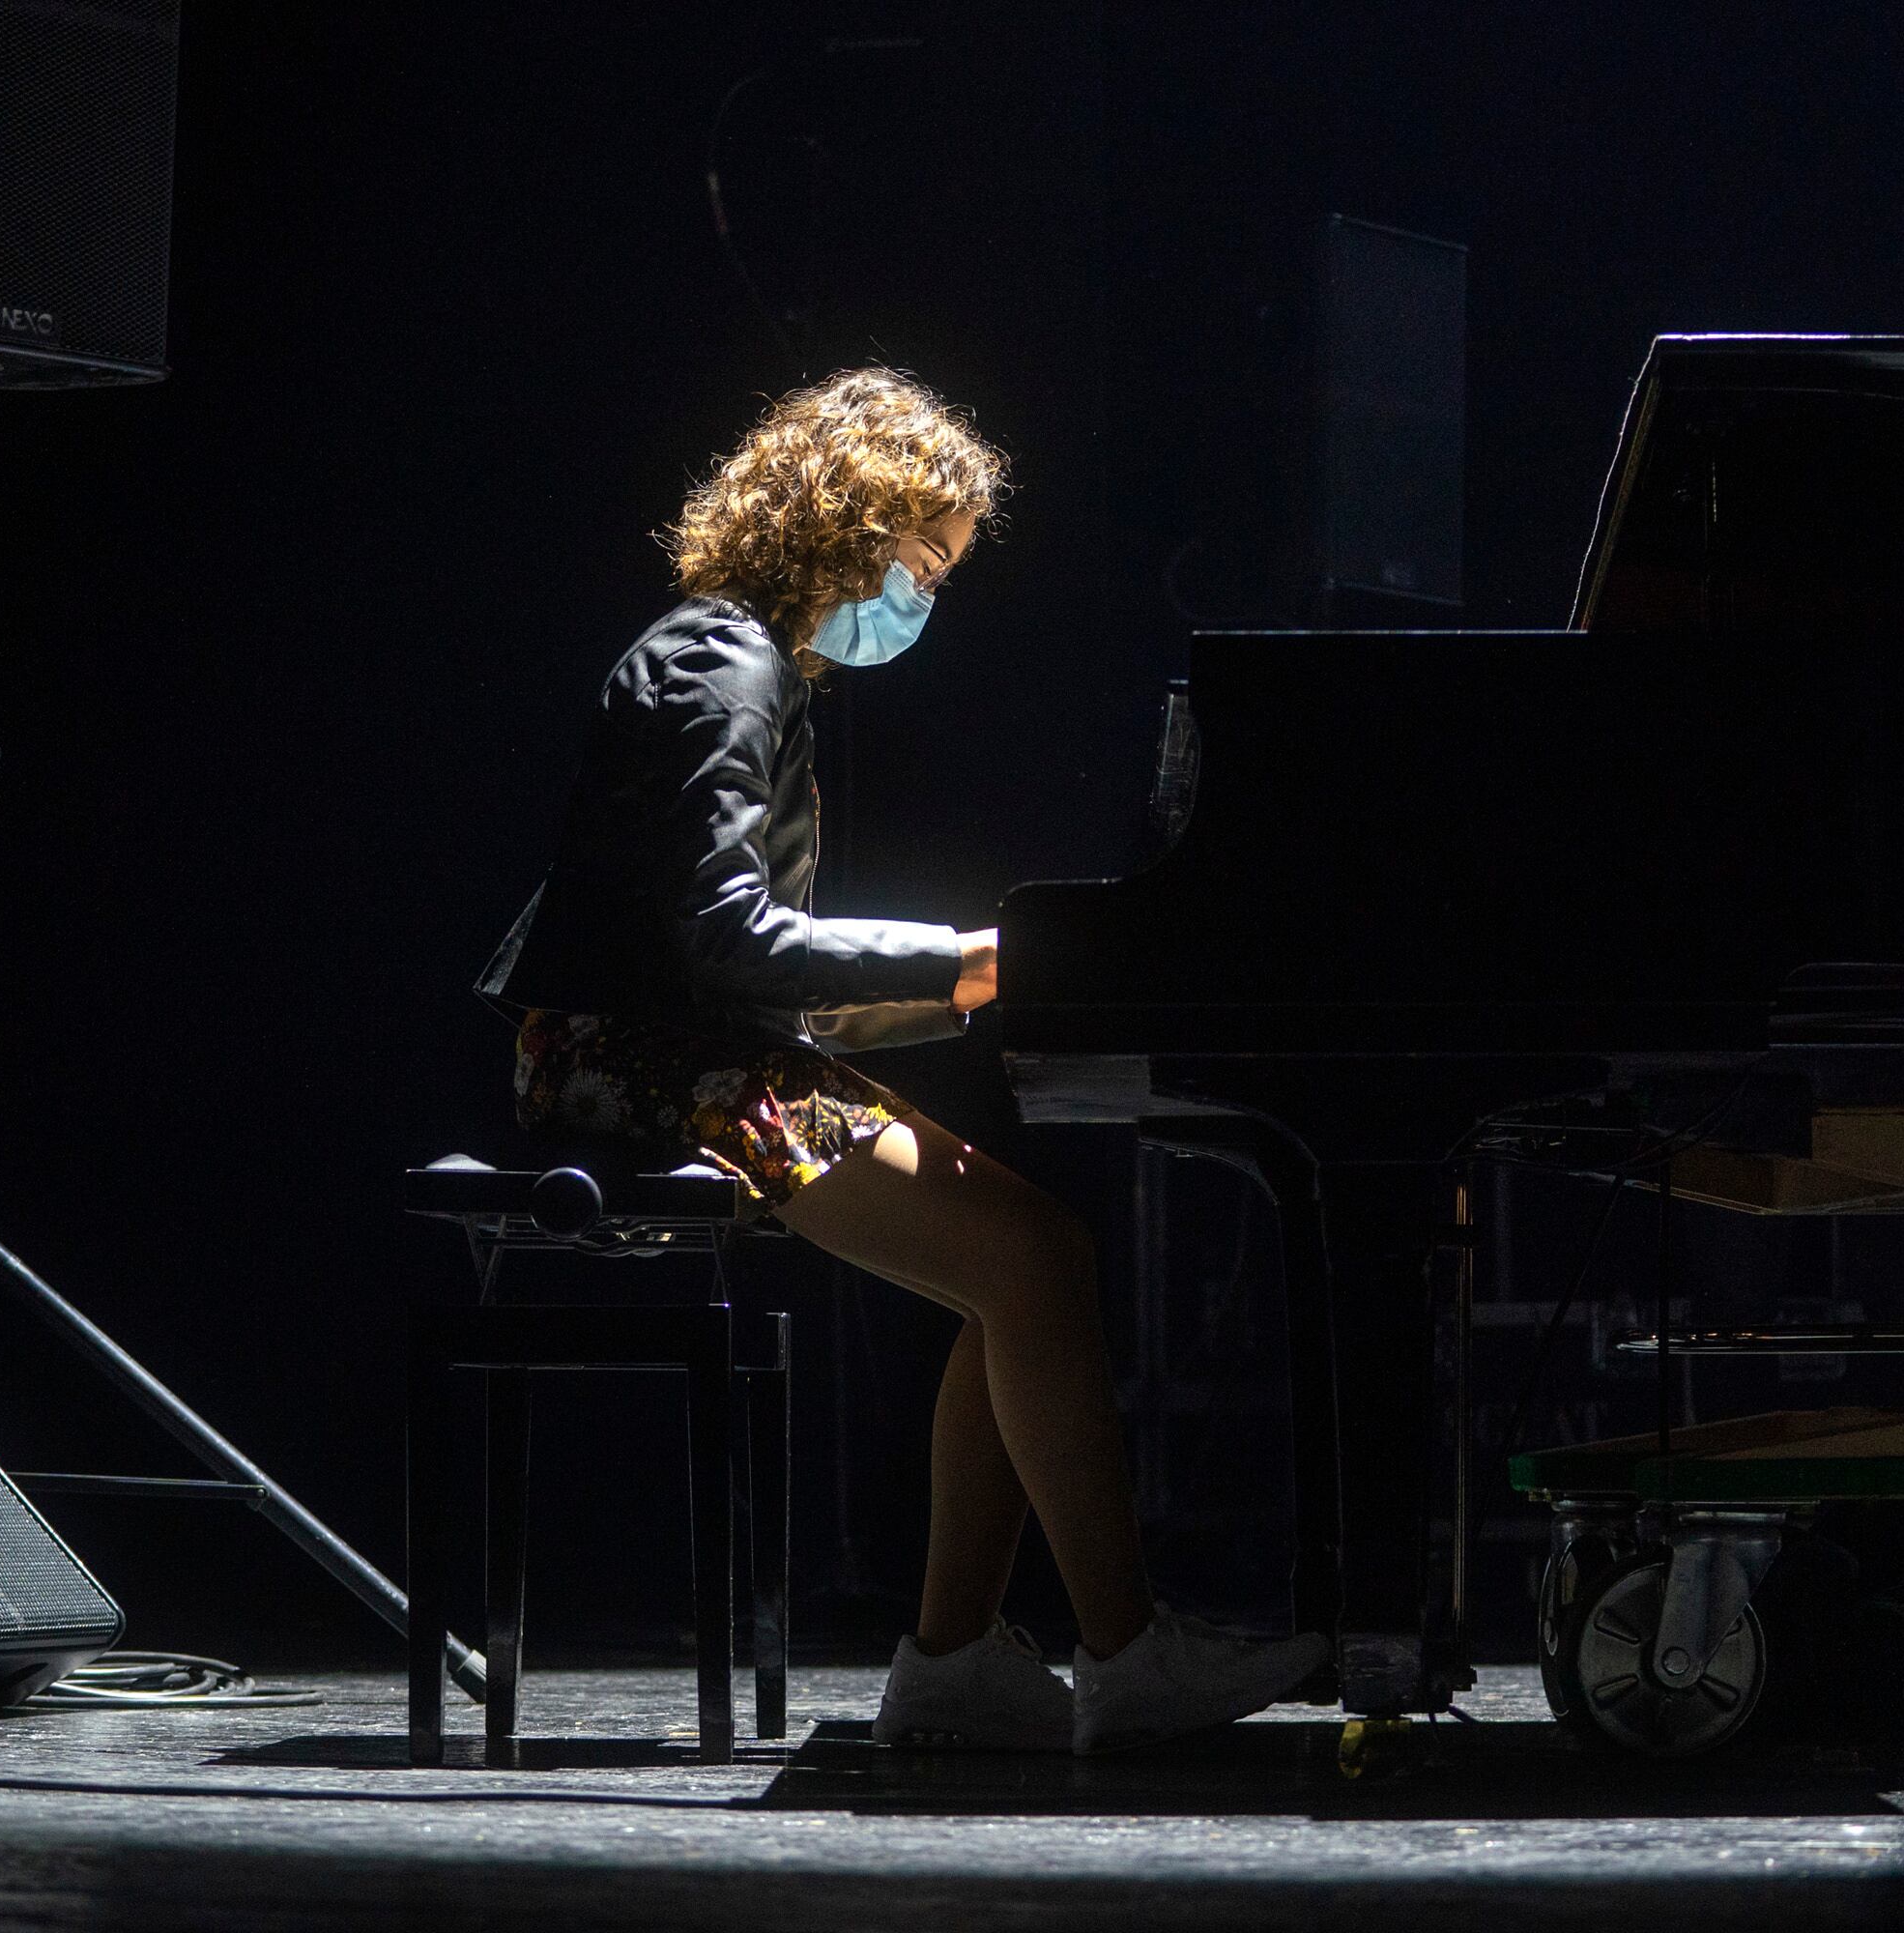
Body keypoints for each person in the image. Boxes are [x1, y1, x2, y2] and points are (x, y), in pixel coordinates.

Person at [478, 368, 1326, 1753]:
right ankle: (1121, 1655)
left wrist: (976, 987)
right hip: (638, 1066)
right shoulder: (723, 663)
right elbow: (735, 940)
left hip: (685, 1049)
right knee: (1036, 1260)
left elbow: (743, 968)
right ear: (845, 520)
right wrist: (955, 959)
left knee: (1027, 1261)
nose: (922, 603)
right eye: (918, 565)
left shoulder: (742, 658)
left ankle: (955, 1665)